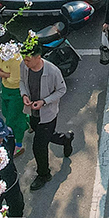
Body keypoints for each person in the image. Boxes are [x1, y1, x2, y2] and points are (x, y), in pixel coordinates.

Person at [18, 40, 75, 191]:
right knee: (47, 136)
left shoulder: (53, 71)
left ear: (38, 57)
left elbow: (62, 90)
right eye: (24, 59)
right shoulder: (24, 66)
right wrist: (24, 95)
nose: (25, 62)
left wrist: (44, 101)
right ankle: (66, 139)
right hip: (33, 112)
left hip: (47, 115)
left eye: (28, 59)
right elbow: (22, 82)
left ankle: (44, 174)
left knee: (39, 146)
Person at [0, 33, 28, 156]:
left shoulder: (15, 59)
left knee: (13, 119)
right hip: (5, 88)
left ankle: (18, 144)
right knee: (6, 112)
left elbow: (14, 79)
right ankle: (29, 123)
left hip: (17, 91)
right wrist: (5, 74)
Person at [0, 115, 25, 217]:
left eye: (2, 135)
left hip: (11, 180)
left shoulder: (9, 135)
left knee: (18, 206)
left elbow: (10, 152)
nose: (1, 139)